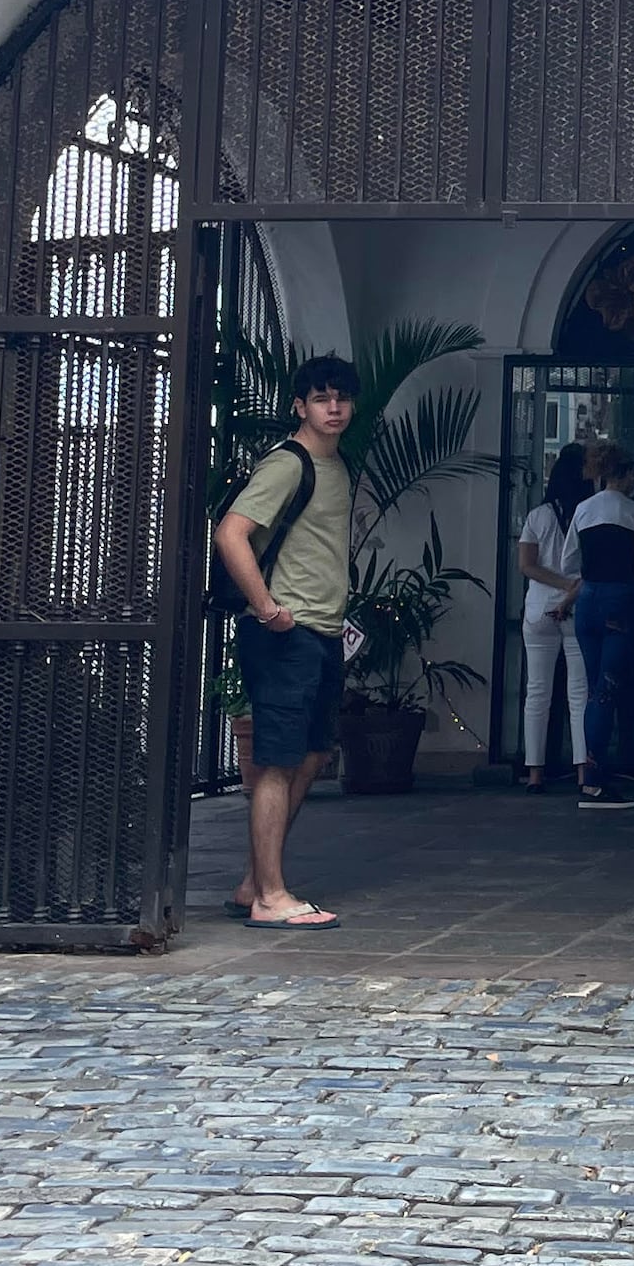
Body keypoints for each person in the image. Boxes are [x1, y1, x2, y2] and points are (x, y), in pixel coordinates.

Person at [213, 354, 360, 930]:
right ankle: (271, 897)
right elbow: (231, 533)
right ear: (300, 406)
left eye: (341, 397)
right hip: (285, 634)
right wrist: (268, 609)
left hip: (321, 632)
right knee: (276, 759)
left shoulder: (338, 465)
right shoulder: (289, 463)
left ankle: (255, 880)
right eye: (321, 398)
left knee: (312, 753)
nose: (333, 407)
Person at [571, 445, 634, 801]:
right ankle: (595, 777)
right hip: (619, 602)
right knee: (607, 691)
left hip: (587, 601)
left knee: (594, 689)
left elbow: (566, 561)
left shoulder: (582, 511)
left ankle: (591, 771)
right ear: (623, 473)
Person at [516, 441, 596, 798]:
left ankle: (535, 773)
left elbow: (527, 565)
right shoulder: (590, 515)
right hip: (578, 608)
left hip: (538, 610)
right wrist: (572, 589)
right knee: (580, 694)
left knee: (538, 692)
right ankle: (583, 772)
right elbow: (592, 569)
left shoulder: (538, 516)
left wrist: (558, 586)